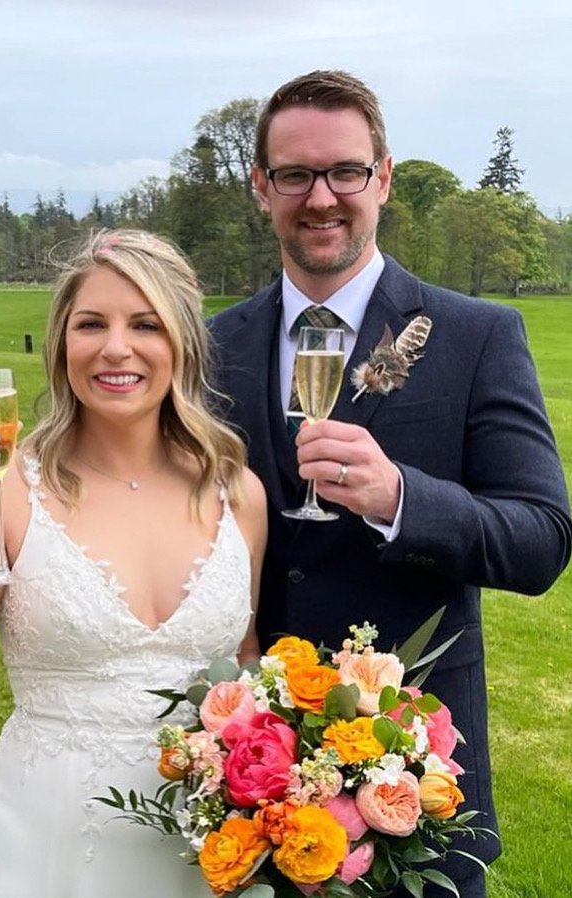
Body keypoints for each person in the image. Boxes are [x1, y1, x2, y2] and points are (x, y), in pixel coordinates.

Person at [209, 70, 571, 897]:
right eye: (294, 175)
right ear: (261, 186)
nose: (321, 198)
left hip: (415, 783)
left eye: (345, 171)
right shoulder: (213, 345)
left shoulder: (477, 336)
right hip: (248, 784)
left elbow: (541, 540)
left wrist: (401, 498)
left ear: (383, 178)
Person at [0, 228, 267, 898]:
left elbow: (244, 667)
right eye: (91, 324)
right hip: (45, 842)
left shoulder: (236, 492)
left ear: (183, 342)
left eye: (144, 323)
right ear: (62, 344)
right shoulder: (2, 487)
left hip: (204, 851)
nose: (115, 347)